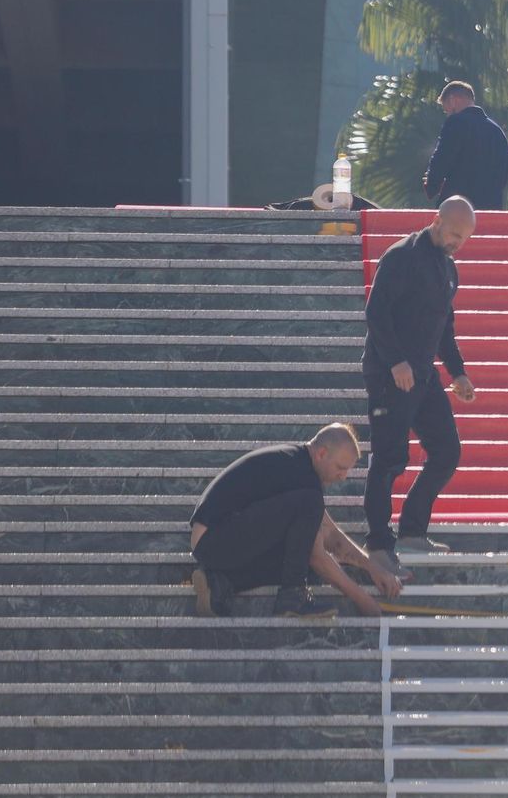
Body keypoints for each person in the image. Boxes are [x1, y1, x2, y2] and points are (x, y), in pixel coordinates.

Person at [362, 195, 478, 582]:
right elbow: (375, 312)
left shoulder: (448, 268)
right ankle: (378, 545)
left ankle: (412, 530)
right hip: (389, 373)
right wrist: (395, 361)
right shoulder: (402, 256)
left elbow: (444, 327)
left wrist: (458, 373)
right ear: (437, 221)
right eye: (453, 234)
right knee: (389, 459)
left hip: (423, 375)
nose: (456, 243)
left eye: (463, 238)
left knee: (447, 450)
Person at [189, 423, 404, 619]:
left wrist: (372, 567)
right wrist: (363, 600)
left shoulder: (300, 467)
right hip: (215, 539)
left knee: (305, 565)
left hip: (217, 544)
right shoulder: (301, 476)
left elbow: (330, 534)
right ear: (321, 453)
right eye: (341, 468)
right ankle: (293, 596)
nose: (344, 477)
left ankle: (222, 583)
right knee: (309, 518)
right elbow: (317, 555)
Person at [423, 80, 508, 210]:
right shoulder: (497, 131)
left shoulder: (456, 122)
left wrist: (432, 185)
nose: (447, 113)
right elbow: (503, 173)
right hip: (491, 207)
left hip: (459, 209)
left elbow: (442, 158)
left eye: (446, 109)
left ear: (453, 100)